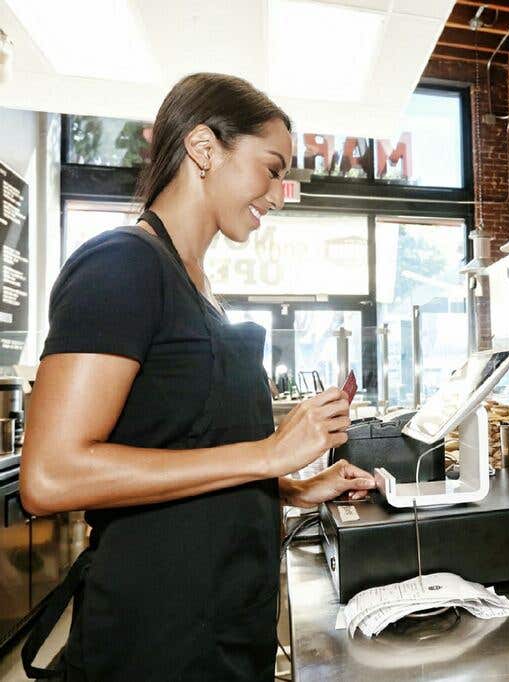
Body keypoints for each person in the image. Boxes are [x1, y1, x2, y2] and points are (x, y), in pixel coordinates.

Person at [20, 73, 376, 681]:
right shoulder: (121, 265)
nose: (280, 194)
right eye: (271, 168)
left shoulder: (202, 289)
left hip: (228, 624)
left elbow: (181, 449)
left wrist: (291, 490)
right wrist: (268, 455)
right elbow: (51, 477)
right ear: (204, 149)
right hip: (157, 639)